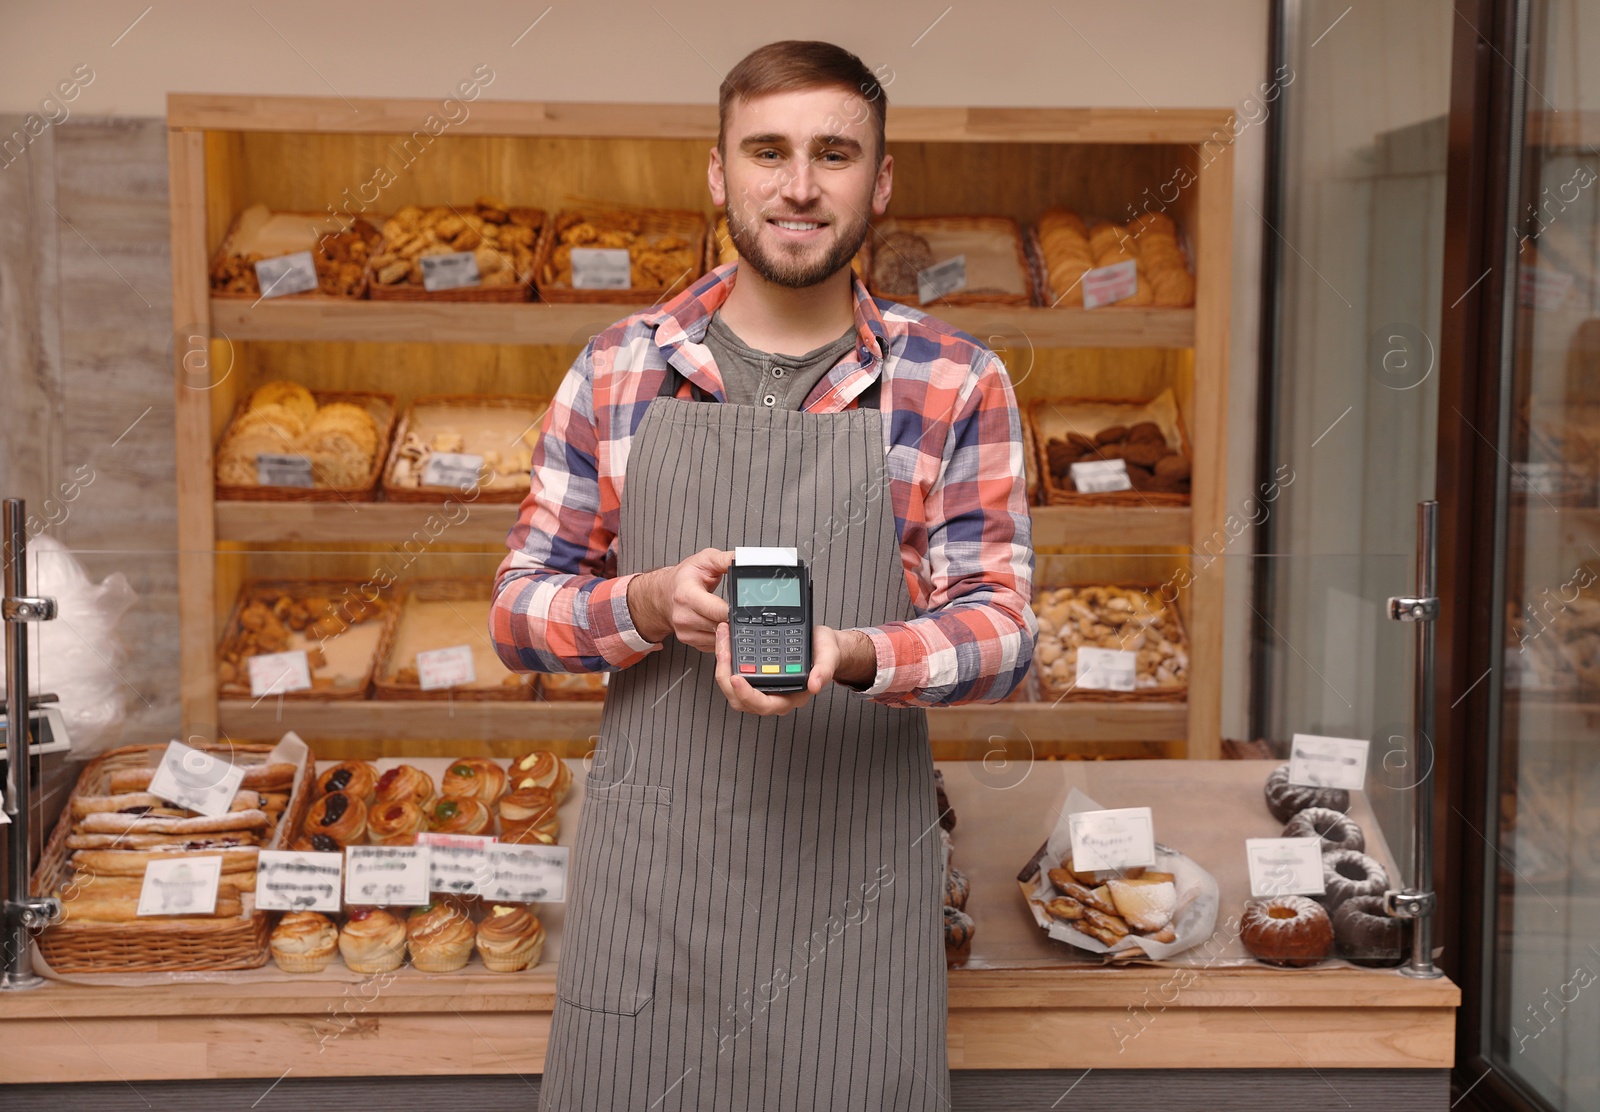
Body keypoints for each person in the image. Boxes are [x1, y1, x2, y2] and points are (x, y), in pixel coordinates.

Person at [491, 39, 1035, 1112]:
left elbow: (1005, 629)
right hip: (652, 897)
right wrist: (639, 603)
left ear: (878, 183)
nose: (797, 185)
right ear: (717, 173)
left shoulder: (955, 381)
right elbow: (517, 610)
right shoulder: (617, 367)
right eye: (767, 151)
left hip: (855, 896)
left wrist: (848, 651)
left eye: (833, 154)